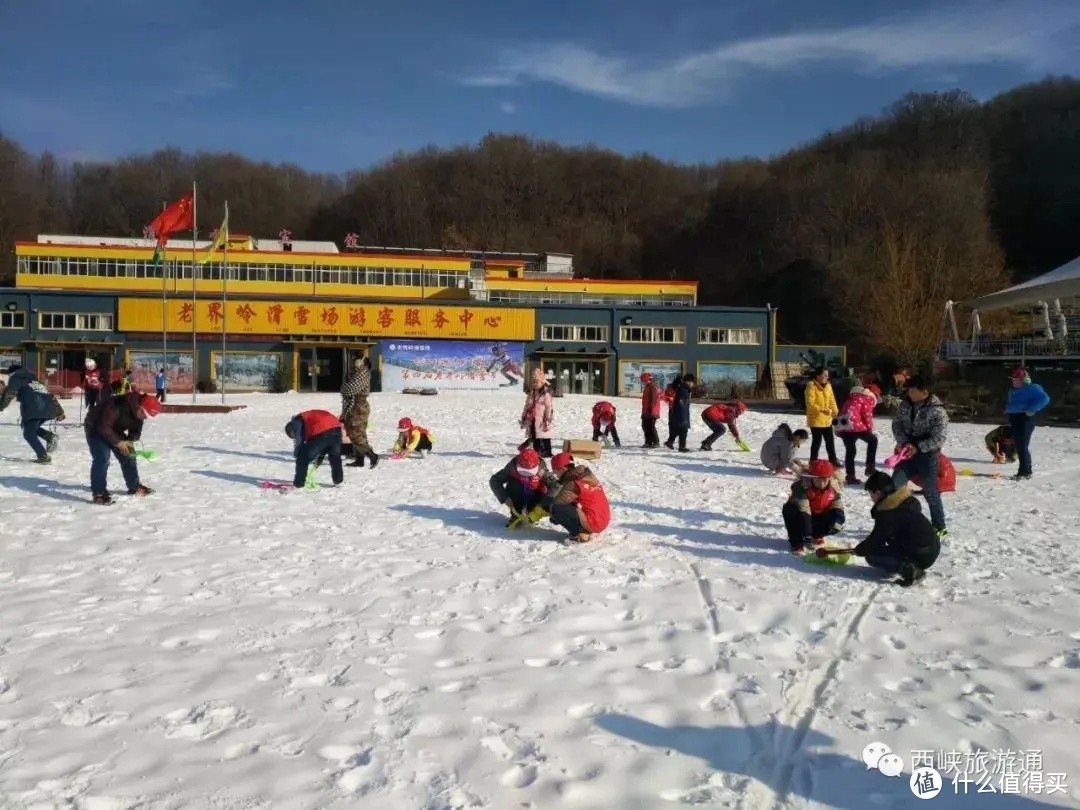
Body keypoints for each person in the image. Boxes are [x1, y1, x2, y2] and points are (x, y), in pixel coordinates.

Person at [853, 472, 941, 587]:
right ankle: (906, 564)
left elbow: (876, 539)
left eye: (871, 494)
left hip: (922, 554)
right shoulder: (902, 501)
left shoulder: (890, 512)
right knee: (881, 546)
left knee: (872, 555)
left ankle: (912, 571)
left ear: (878, 493)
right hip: (931, 548)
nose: (871, 498)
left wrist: (860, 549)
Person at [890, 375, 949, 537]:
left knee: (931, 491)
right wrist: (903, 443)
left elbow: (939, 438)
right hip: (906, 454)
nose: (909, 393)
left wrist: (918, 447)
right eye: (908, 390)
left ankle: (939, 526)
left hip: (927, 456)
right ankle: (895, 524)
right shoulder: (905, 405)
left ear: (924, 392)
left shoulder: (937, 411)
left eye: (913, 390)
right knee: (893, 487)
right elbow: (897, 424)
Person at [84, 389, 159, 504]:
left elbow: (136, 431)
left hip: (114, 429)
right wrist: (118, 443)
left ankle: (134, 486)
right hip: (95, 427)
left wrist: (130, 442)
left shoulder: (139, 413)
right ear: (140, 406)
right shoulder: (117, 406)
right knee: (102, 458)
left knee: (129, 455)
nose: (145, 417)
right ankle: (99, 493)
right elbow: (103, 427)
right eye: (144, 414)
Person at [530, 452, 612, 543]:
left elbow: (557, 503)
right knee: (567, 506)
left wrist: (545, 510)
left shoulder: (573, 484)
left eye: (555, 471)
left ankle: (581, 534)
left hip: (595, 522)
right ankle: (586, 529)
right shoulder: (584, 475)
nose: (555, 474)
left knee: (555, 509)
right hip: (602, 518)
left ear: (562, 469)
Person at [0, 364, 64, 463]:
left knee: (29, 434)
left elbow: (9, 394)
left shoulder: (15, 377)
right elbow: (49, 395)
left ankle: (43, 457)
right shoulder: (35, 380)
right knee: (27, 426)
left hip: (35, 408)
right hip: (48, 408)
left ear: (12, 372)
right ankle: (49, 436)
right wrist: (59, 411)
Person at [781, 459, 845, 553]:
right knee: (790, 509)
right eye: (818, 480)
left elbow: (838, 507)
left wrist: (837, 523)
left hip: (817, 516)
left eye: (825, 480)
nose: (822, 483)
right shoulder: (802, 487)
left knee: (835, 518)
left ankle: (816, 535)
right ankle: (797, 543)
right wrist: (807, 535)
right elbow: (805, 511)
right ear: (811, 477)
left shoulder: (834, 487)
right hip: (802, 518)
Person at [489, 448, 557, 528]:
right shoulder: (511, 468)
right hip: (516, 494)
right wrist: (505, 498)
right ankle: (515, 514)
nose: (526, 474)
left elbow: (556, 486)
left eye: (529, 472)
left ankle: (532, 514)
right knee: (514, 485)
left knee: (546, 491)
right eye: (523, 471)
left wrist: (546, 505)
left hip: (536, 496)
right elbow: (495, 480)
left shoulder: (542, 471)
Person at [1004, 367, 1051, 481]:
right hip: (1014, 418)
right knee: (1019, 445)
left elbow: (1045, 398)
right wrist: (1007, 409)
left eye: (1017, 380)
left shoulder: (1032, 388)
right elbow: (1013, 403)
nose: (1014, 381)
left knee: (1022, 446)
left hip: (1025, 419)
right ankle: (1023, 471)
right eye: (1013, 379)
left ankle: (1025, 472)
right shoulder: (1013, 390)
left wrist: (1031, 409)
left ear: (1024, 380)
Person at [284, 409, 344, 489]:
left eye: (292, 436)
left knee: (302, 458)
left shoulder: (296, 422)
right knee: (335, 457)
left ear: (291, 430)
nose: (293, 437)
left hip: (322, 431)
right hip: (336, 428)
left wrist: (297, 454)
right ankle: (338, 481)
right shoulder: (306, 417)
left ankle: (298, 484)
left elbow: (299, 439)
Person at [834, 382, 879, 485]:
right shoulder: (866, 399)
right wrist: (869, 429)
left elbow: (841, 414)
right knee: (873, 441)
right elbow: (867, 416)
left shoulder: (849, 400)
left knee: (850, 451)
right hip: (857, 427)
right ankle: (870, 467)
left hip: (845, 428)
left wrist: (838, 430)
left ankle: (850, 476)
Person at [340, 355, 378, 468]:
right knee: (358, 433)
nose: (354, 363)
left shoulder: (362, 374)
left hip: (358, 407)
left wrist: (343, 388)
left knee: (355, 434)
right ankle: (359, 460)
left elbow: (349, 389)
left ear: (363, 363)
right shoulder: (358, 373)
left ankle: (372, 455)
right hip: (355, 407)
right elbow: (348, 389)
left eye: (357, 361)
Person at [805, 368, 839, 466]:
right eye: (824, 375)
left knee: (830, 442)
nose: (827, 377)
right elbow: (810, 404)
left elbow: (832, 399)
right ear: (817, 376)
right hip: (815, 419)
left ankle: (833, 461)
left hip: (827, 419)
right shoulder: (811, 386)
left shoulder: (828, 386)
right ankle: (813, 462)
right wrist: (823, 409)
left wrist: (835, 410)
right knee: (817, 442)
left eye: (827, 375)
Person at [520, 368, 554, 457]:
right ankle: (536, 451)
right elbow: (526, 405)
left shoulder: (546, 394)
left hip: (542, 418)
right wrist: (524, 416)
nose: (534, 384)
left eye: (536, 382)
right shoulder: (531, 393)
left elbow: (549, 407)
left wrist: (548, 417)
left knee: (545, 435)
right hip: (532, 418)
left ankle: (547, 451)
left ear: (542, 382)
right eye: (533, 382)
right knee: (534, 435)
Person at [666, 373, 695, 452]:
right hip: (680, 413)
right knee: (683, 430)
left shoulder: (683, 389)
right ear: (688, 382)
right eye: (692, 382)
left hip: (679, 413)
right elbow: (681, 404)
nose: (693, 384)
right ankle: (682, 447)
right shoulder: (683, 390)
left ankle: (670, 442)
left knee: (678, 429)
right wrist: (683, 417)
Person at [639, 372, 662, 448]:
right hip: (647, 410)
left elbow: (654, 399)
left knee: (651, 426)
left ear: (646, 379)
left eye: (643, 380)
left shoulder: (653, 387)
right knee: (645, 426)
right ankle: (648, 442)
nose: (642, 382)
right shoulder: (648, 386)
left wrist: (650, 408)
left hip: (651, 411)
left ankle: (656, 442)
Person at [663, 373, 683, 448]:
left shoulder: (683, 387)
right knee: (673, 426)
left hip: (679, 409)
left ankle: (670, 441)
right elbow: (666, 397)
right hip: (673, 409)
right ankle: (670, 441)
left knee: (679, 426)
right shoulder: (671, 387)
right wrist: (671, 399)